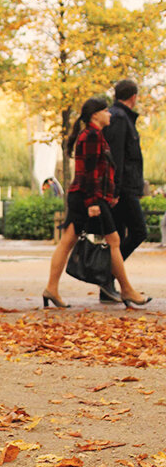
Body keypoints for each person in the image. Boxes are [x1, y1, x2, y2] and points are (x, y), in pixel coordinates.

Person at [42, 96, 151, 309]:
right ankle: (127, 289)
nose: (109, 114)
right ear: (95, 115)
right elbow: (89, 173)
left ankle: (51, 289)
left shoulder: (94, 135)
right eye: (106, 111)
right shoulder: (91, 136)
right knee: (114, 241)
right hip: (89, 197)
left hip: (84, 197)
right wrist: (93, 202)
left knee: (67, 243)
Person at [99, 79, 147, 302]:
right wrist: (116, 190)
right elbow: (116, 156)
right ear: (134, 97)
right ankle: (107, 276)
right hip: (123, 188)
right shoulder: (120, 118)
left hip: (124, 186)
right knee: (139, 231)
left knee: (119, 235)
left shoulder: (120, 117)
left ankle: (107, 285)